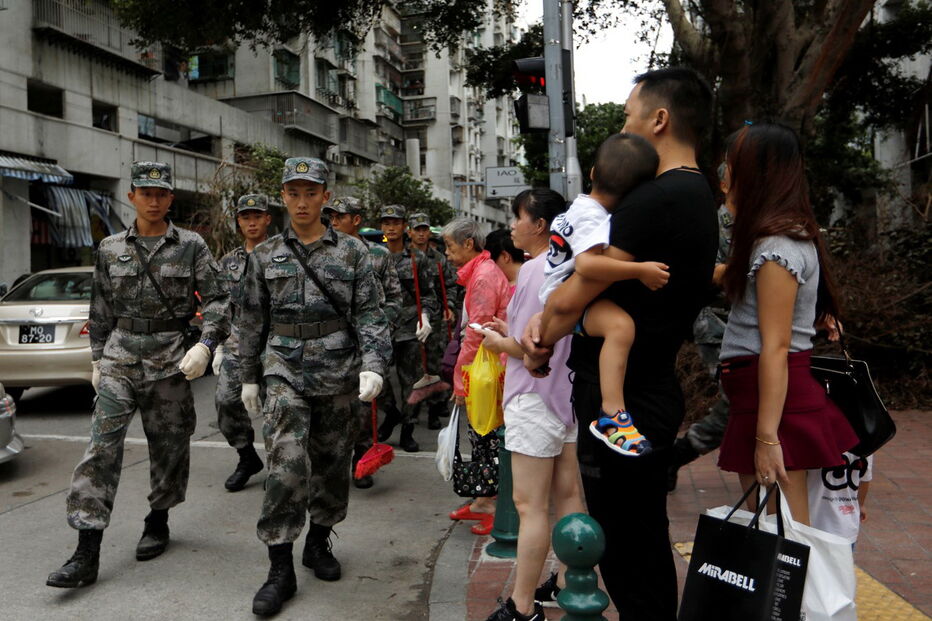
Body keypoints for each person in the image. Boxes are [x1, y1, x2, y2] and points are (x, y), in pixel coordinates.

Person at [524, 67, 718, 619]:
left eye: (630, 114)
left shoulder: (652, 201)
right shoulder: (699, 195)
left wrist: (541, 340)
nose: (625, 124)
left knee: (632, 552)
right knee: (643, 543)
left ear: (659, 120)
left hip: (624, 399)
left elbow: (568, 298)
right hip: (652, 386)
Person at [47, 161, 230, 589]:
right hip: (120, 359)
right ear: (131, 196)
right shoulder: (110, 248)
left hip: (170, 360)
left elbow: (221, 300)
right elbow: (100, 307)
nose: (152, 199)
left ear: (169, 199)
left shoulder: (191, 246)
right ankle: (86, 550)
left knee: (169, 448)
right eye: (144, 192)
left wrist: (206, 344)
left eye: (160, 193)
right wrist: (96, 360)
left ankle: (158, 518)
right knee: (100, 449)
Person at [237, 157, 391, 616]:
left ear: (326, 196)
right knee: (286, 462)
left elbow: (370, 313)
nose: (302, 202)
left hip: (339, 370)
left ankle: (319, 541)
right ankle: (279, 566)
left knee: (331, 460)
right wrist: (247, 375)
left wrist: (374, 363)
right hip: (283, 367)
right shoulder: (264, 256)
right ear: (283, 197)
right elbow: (250, 319)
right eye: (293, 193)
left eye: (311, 193)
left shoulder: (353, 252)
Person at [716, 122, 858, 524]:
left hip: (774, 400)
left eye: (730, 166)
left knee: (786, 536)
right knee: (778, 531)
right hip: (765, 397)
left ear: (756, 175)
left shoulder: (777, 247)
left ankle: (802, 592)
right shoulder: (778, 239)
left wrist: (766, 438)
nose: (724, 178)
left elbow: (776, 347)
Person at [478, 189, 586, 621]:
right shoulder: (570, 266)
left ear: (539, 225)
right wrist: (513, 330)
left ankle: (522, 606)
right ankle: (569, 581)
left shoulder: (534, 269)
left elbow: (528, 348)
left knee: (529, 505)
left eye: (517, 218)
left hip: (534, 396)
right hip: (569, 394)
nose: (512, 227)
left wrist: (496, 340)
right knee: (569, 493)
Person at [538, 133, 668, 457]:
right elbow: (588, 264)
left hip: (557, 297)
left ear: (593, 172)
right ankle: (612, 414)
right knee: (621, 328)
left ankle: (536, 356)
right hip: (569, 298)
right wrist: (640, 270)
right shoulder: (595, 217)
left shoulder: (578, 207)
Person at [324, 195, 402, 488]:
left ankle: (361, 456)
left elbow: (394, 298)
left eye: (339, 217)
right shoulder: (320, 252)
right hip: (328, 342)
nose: (333, 222)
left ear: (355, 220)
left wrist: (381, 325)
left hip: (363, 341)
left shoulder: (378, 256)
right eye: (330, 217)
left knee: (360, 404)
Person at [667, 163, 735, 491]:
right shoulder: (712, 225)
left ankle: (681, 451)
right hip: (716, 323)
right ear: (724, 184)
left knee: (747, 399)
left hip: (753, 325)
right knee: (738, 398)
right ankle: (681, 451)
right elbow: (693, 274)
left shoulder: (757, 225)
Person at [443, 218, 512, 535]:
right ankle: (483, 498)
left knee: (485, 432)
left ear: (468, 244)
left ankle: (490, 501)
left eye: (450, 246)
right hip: (489, 365)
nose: (447, 253)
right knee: (484, 433)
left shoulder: (483, 277)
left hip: (485, 369)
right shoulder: (481, 272)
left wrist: (461, 380)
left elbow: (477, 333)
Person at [212, 193, 270, 492]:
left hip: (274, 349)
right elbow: (221, 306)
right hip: (236, 347)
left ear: (267, 219)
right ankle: (247, 457)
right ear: (238, 222)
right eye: (246, 217)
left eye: (257, 216)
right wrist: (217, 346)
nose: (251, 222)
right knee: (225, 402)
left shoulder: (281, 255)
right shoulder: (229, 262)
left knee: (278, 411)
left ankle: (279, 465)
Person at [376, 204, 437, 452]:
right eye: (386, 223)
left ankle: (408, 429)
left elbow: (430, 294)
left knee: (412, 382)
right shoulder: (373, 257)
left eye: (396, 223)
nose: (391, 228)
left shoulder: (417, 258)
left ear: (404, 227)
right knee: (377, 378)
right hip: (382, 327)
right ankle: (391, 413)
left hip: (411, 328)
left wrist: (426, 316)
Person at [408, 211, 459, 430]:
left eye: (424, 229)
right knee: (415, 366)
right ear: (409, 232)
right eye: (416, 229)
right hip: (409, 318)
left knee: (435, 362)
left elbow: (450, 285)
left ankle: (435, 408)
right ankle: (413, 410)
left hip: (436, 317)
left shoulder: (439, 259)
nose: (421, 234)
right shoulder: (403, 256)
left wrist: (450, 306)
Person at [807, 452, 873, 547]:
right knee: (843, 559)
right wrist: (860, 504)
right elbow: (865, 478)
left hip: (814, 518)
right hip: (846, 525)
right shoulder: (869, 440)